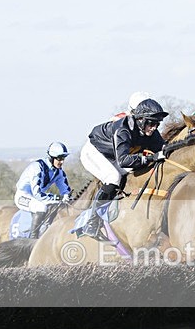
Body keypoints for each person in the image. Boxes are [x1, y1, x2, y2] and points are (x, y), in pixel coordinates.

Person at [79, 98, 168, 237]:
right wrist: (150, 158)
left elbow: (164, 148)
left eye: (157, 123)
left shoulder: (151, 132)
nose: (154, 127)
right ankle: (92, 221)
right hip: (94, 152)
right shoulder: (123, 129)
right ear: (140, 120)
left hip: (114, 154)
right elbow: (123, 161)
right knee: (114, 177)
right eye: (151, 123)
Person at [14, 141, 73, 239]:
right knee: (41, 206)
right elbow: (37, 194)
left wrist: (67, 197)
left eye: (63, 158)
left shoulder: (59, 172)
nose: (62, 161)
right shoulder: (37, 167)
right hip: (23, 196)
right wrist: (57, 198)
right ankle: (32, 239)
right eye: (59, 158)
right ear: (51, 157)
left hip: (36, 197)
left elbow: (65, 190)